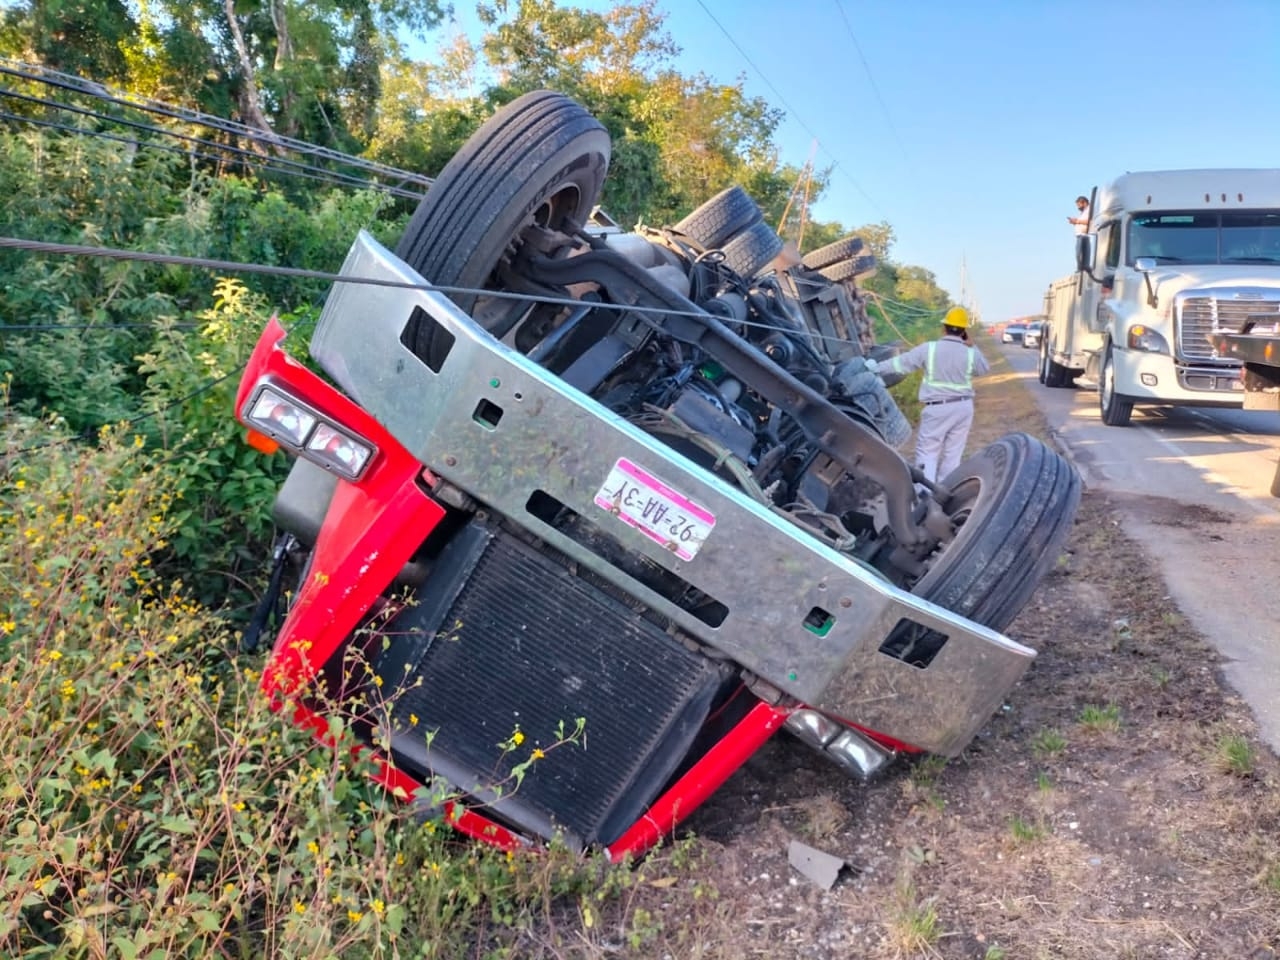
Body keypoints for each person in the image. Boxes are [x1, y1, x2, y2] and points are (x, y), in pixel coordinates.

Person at [866, 306, 990, 484]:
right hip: (963, 408)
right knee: (953, 454)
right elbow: (984, 368)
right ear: (964, 331)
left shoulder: (929, 349)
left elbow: (901, 364)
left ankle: (925, 495)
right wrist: (973, 345)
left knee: (928, 453)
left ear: (944, 327)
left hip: (937, 409)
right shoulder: (970, 353)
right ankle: (947, 493)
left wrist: (875, 368)